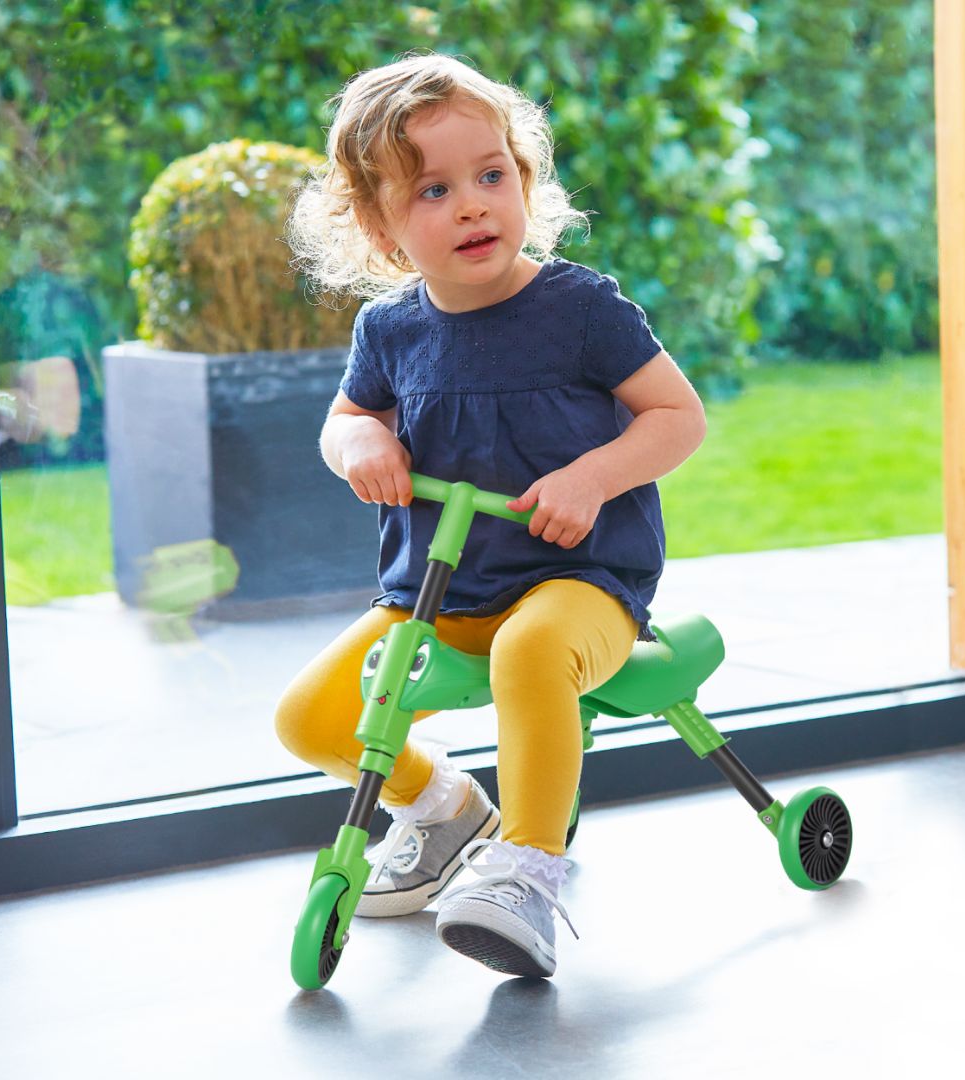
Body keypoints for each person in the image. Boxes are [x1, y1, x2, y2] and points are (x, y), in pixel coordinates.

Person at [276, 51, 707, 978]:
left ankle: (527, 872)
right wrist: (360, 443)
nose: (472, 206)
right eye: (433, 191)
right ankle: (441, 808)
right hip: (439, 591)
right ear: (380, 226)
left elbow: (679, 417)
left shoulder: (581, 309)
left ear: (523, 177)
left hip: (578, 581)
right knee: (311, 716)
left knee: (529, 650)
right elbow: (345, 419)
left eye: (490, 176)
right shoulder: (390, 330)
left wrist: (592, 477)